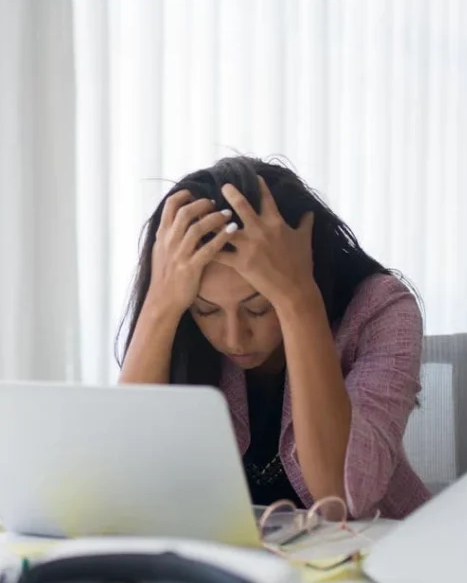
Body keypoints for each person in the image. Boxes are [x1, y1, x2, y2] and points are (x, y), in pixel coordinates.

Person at [117, 156, 431, 519]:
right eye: (207, 310)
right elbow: (127, 479)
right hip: (235, 562)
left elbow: (340, 498)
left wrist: (298, 299)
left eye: (258, 308)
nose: (235, 338)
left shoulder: (382, 308)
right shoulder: (179, 319)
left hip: (369, 560)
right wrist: (161, 305)